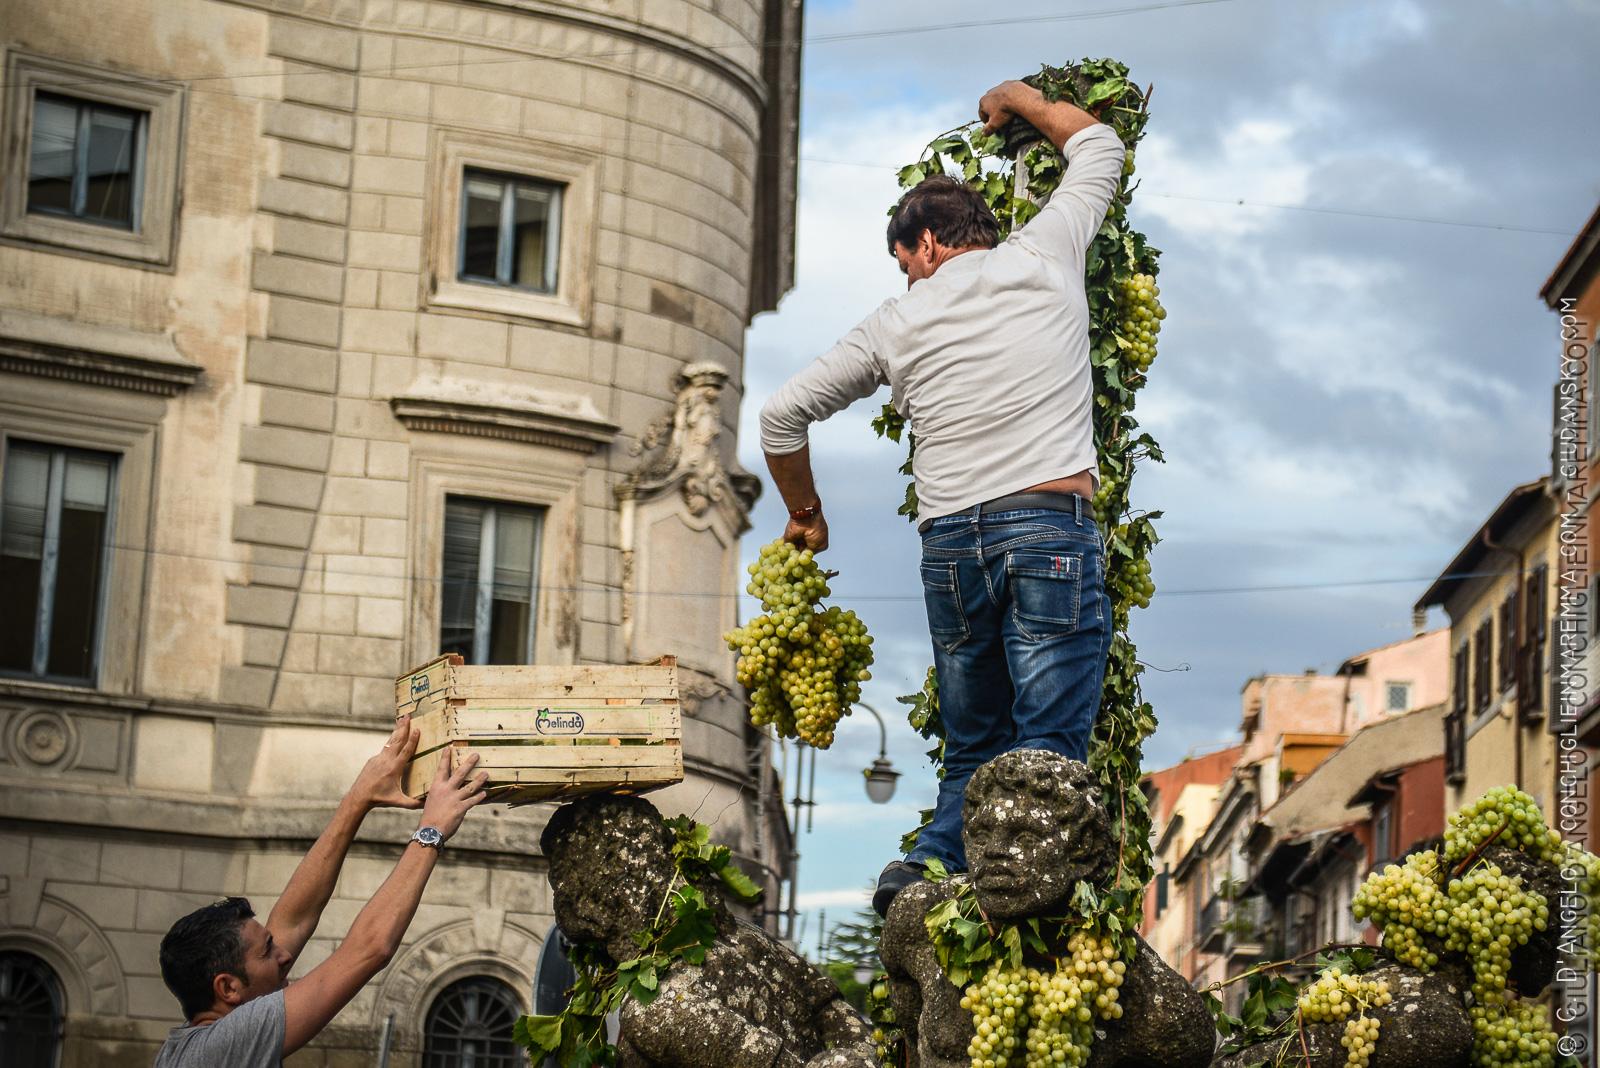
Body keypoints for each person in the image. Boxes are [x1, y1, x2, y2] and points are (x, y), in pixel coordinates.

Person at [757, 78, 1126, 918]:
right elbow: (1099, 145)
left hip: (952, 545)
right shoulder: (1048, 251)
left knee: (974, 747)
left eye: (903, 264)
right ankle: (1030, 915)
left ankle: (925, 869)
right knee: (1049, 749)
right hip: (1049, 532)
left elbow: (782, 416)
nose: (909, 279)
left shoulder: (895, 322)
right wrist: (1020, 97)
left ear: (924, 244)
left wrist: (806, 514)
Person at [154, 717, 488, 1066]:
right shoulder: (226, 1045)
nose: (284, 956)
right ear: (228, 988)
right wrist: (432, 831)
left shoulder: (195, 1044)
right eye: (267, 952)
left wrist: (360, 798)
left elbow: (295, 919)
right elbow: (369, 950)